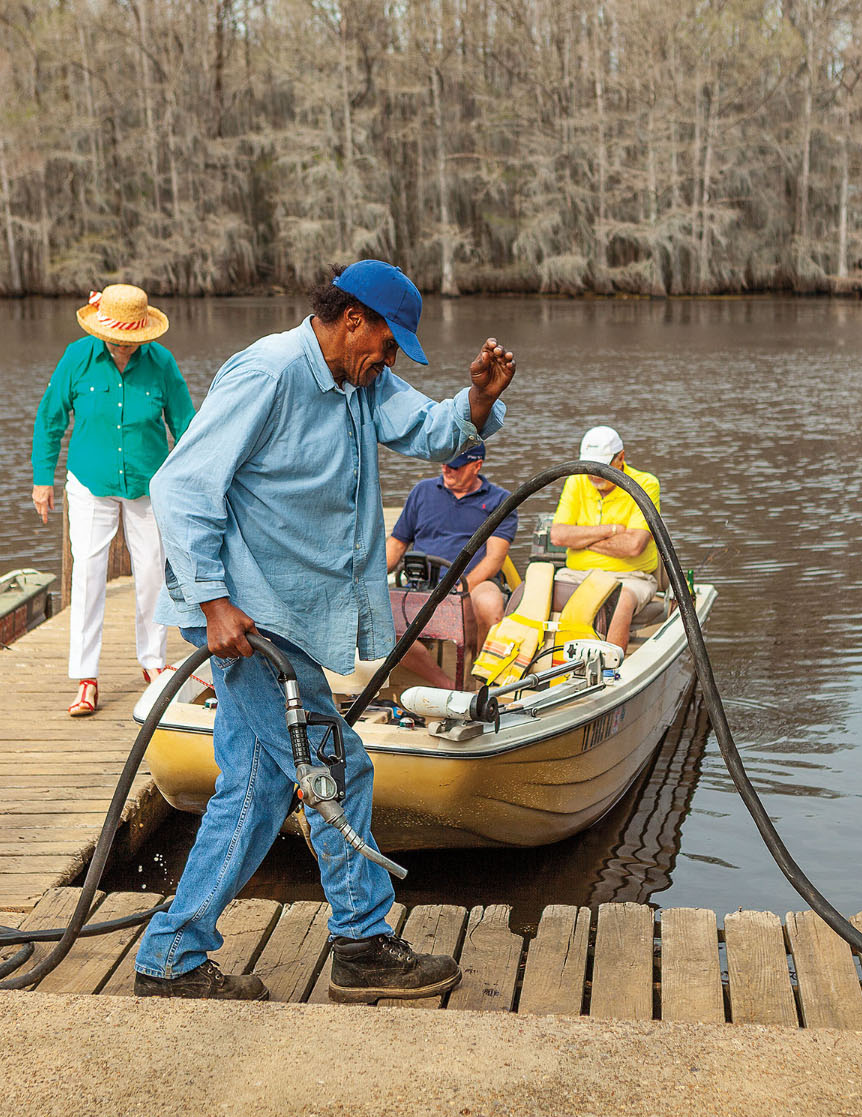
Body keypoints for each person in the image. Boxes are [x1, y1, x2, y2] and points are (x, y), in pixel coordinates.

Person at [135, 260, 515, 1001]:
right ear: (350, 321)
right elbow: (181, 486)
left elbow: (432, 432)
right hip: (251, 624)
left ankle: (170, 958)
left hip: (290, 615)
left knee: (254, 788)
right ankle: (362, 944)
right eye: (388, 340)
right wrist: (213, 601)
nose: (392, 357)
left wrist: (475, 402)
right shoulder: (269, 373)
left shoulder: (361, 384)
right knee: (339, 770)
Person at [31, 284, 194, 717]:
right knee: (86, 573)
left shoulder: (161, 363)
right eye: (119, 339)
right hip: (90, 480)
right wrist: (42, 478)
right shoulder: (77, 357)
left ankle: (154, 665)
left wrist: (195, 481)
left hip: (149, 481)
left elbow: (185, 423)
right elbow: (50, 417)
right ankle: (86, 678)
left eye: (132, 340)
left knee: (153, 575)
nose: (124, 346)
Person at [385, 443, 519, 689]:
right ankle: (449, 686)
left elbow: (494, 559)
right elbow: (396, 545)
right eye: (445, 462)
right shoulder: (422, 491)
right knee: (380, 621)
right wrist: (367, 575)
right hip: (422, 583)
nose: (447, 469)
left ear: (476, 466)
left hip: (471, 583)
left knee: (490, 603)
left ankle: (480, 681)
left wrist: (459, 587)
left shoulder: (499, 500)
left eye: (455, 466)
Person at [550, 426, 661, 652]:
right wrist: (610, 530)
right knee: (539, 592)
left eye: (602, 467)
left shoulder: (646, 483)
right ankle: (544, 663)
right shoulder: (576, 481)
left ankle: (611, 669)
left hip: (631, 577)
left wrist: (581, 539)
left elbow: (633, 546)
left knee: (622, 599)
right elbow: (558, 536)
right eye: (590, 466)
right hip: (576, 574)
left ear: (621, 458)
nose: (593, 474)